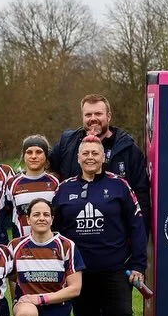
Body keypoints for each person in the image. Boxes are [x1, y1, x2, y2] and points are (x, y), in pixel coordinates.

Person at [53, 135, 146, 316]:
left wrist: (138, 264)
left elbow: (136, 225)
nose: (90, 157)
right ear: (78, 158)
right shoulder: (64, 189)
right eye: (85, 153)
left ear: (103, 157)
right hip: (80, 270)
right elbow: (56, 231)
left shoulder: (120, 186)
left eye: (95, 153)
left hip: (116, 266)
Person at [7, 198, 84, 316]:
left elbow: (75, 288)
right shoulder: (15, 246)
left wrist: (41, 299)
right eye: (36, 214)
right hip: (27, 307)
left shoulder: (66, 246)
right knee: (26, 313)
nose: (41, 218)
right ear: (28, 219)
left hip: (56, 309)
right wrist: (18, 302)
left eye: (46, 214)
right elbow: (9, 277)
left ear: (52, 219)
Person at [49, 94, 150, 223]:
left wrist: (140, 230)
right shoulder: (67, 144)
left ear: (109, 116)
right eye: (88, 115)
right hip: (74, 227)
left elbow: (141, 194)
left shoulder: (129, 149)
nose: (93, 119)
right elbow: (46, 167)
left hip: (115, 230)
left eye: (98, 114)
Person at [5, 135, 59, 238]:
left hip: (48, 244)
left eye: (39, 152)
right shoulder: (12, 183)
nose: (33, 156)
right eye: (29, 152)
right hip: (21, 245)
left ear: (46, 155)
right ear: (24, 156)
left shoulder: (55, 183)